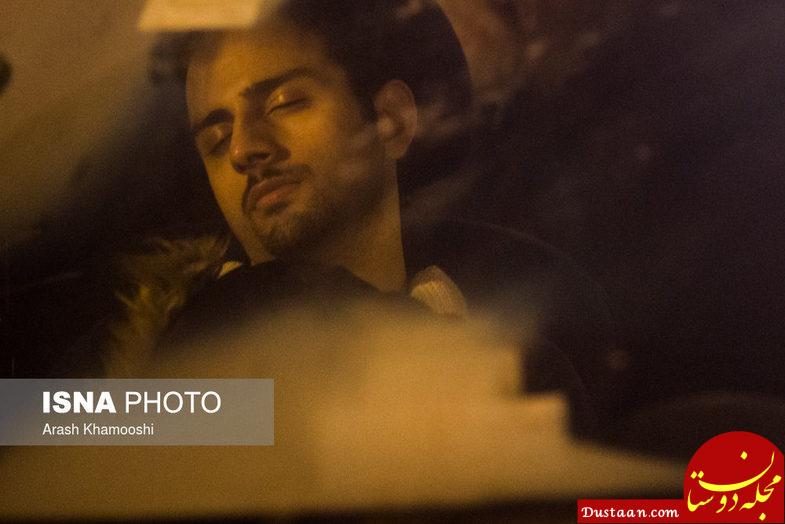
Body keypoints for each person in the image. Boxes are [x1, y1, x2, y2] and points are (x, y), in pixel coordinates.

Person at [100, 0, 622, 439]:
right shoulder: (154, 383)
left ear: (391, 121)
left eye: (285, 103)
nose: (242, 149)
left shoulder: (537, 361)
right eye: (215, 140)